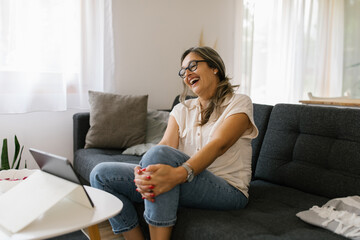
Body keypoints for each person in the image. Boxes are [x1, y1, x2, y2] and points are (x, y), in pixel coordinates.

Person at [90, 46, 258, 240]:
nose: (187, 74)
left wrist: (179, 173)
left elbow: (219, 144)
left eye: (192, 66)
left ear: (214, 67)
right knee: (101, 175)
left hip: (227, 189)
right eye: (183, 71)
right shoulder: (181, 109)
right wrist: (141, 172)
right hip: (190, 181)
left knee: (160, 158)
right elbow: (165, 146)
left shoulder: (239, 102)